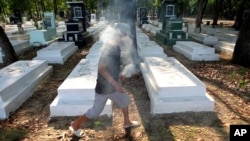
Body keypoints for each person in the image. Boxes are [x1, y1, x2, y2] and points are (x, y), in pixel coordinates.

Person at [69, 23, 140, 137]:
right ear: (118, 34)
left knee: (124, 100)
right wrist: (116, 84)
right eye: (124, 35)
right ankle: (75, 124)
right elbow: (101, 69)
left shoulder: (116, 47)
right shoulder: (109, 48)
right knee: (96, 111)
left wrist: (121, 74)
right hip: (104, 87)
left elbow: (114, 64)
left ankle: (127, 122)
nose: (125, 38)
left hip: (113, 83)